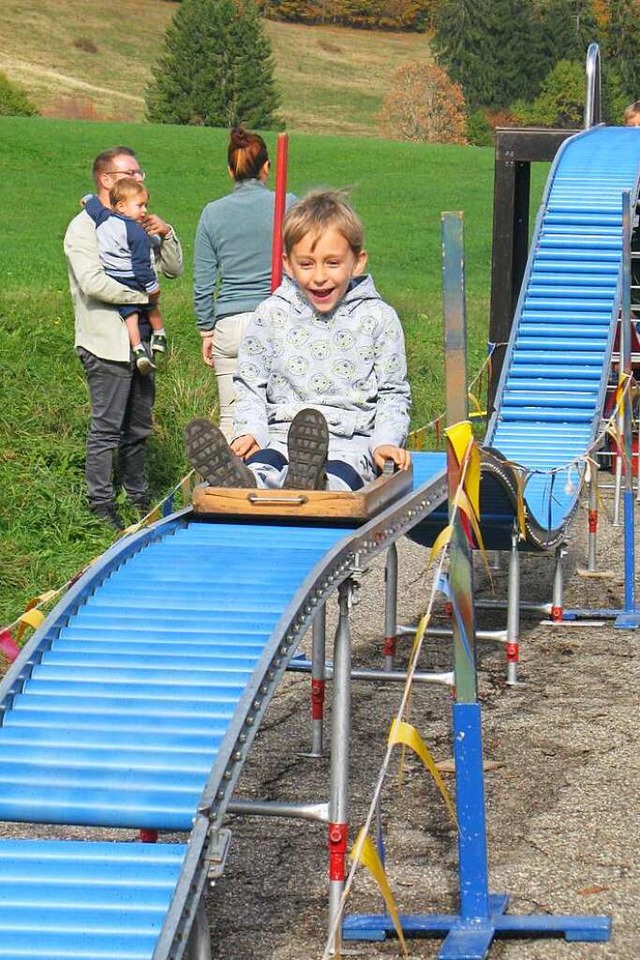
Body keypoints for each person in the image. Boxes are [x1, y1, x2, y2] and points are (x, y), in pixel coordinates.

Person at [185, 189, 411, 492]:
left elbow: (393, 392)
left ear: (357, 262)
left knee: (343, 473)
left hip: (352, 439)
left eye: (332, 263)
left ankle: (319, 484)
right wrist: (250, 432)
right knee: (263, 462)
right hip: (279, 433)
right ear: (288, 264)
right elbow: (250, 384)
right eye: (306, 264)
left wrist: (385, 441)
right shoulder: (271, 313)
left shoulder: (378, 317)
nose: (319, 276)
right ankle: (245, 482)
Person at [64, 146, 183, 530]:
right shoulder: (84, 227)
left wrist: (166, 234)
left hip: (142, 340)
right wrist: (143, 299)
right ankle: (100, 504)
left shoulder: (139, 220)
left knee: (139, 425)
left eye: (141, 171)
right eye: (131, 172)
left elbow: (173, 269)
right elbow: (93, 282)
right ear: (106, 180)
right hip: (105, 342)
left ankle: (137, 496)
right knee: (108, 426)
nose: (141, 178)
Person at [193, 126, 297, 438]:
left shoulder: (212, 214)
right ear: (267, 167)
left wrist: (206, 329)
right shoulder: (288, 204)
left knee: (232, 417)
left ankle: (227, 483)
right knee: (280, 417)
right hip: (278, 318)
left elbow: (203, 281)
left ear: (230, 171)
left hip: (230, 325)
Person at [84, 178, 167, 375]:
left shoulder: (104, 217)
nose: (144, 210)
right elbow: (141, 265)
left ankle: (137, 348)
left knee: (129, 313)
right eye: (140, 205)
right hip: (133, 277)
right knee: (150, 304)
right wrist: (151, 285)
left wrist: (88, 199)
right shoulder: (136, 232)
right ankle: (160, 334)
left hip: (114, 277)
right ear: (121, 206)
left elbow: (94, 207)